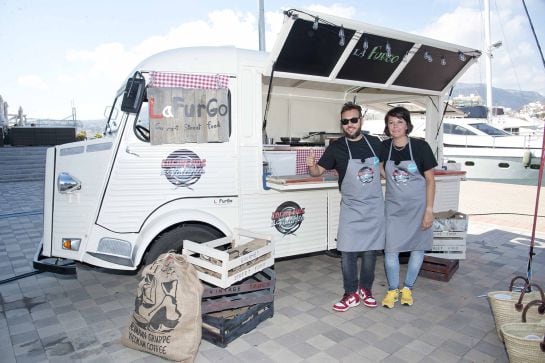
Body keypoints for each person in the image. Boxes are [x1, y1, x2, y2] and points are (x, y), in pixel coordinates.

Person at [307, 102, 385, 312]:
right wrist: (311, 165)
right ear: (341, 124)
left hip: (374, 207)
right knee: (347, 251)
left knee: (370, 252)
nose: (349, 125)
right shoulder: (336, 147)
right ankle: (350, 293)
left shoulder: (375, 143)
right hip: (351, 207)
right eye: (345, 121)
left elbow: (385, 170)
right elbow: (317, 172)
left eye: (353, 120)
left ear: (361, 120)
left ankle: (365, 290)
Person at [380, 106, 437, 308]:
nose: (395, 126)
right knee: (390, 250)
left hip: (418, 208)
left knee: (417, 248)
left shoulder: (421, 147)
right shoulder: (384, 147)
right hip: (393, 208)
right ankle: (392, 289)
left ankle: (407, 289)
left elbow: (430, 180)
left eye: (399, 122)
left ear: (407, 125)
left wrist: (429, 211)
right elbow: (380, 167)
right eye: (391, 122)